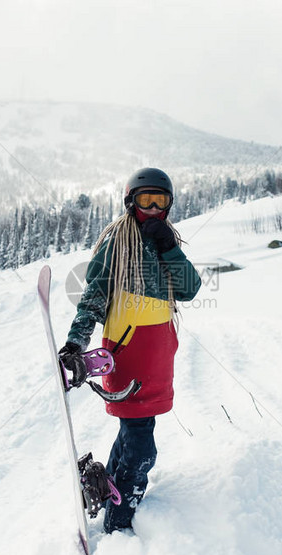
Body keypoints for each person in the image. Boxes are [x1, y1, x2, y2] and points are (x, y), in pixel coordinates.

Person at [59, 167, 201, 534]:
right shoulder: (116, 244)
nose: (152, 210)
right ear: (130, 202)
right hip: (128, 360)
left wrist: (168, 246)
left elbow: (189, 289)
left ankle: (107, 492)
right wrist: (76, 342)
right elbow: (92, 299)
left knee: (133, 430)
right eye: (144, 201)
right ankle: (118, 526)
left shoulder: (166, 244)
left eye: (160, 202)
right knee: (142, 449)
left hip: (157, 361)